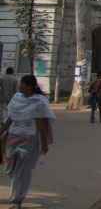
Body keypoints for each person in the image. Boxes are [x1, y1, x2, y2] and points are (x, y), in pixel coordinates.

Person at [1, 74, 55, 208]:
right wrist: (2, 131)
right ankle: (16, 196)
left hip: (29, 139)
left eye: (22, 84)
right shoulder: (16, 98)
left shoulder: (39, 102)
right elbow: (10, 118)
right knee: (10, 169)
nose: (19, 86)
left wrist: (44, 143)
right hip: (13, 137)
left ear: (30, 87)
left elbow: (41, 124)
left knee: (22, 171)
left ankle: (17, 200)